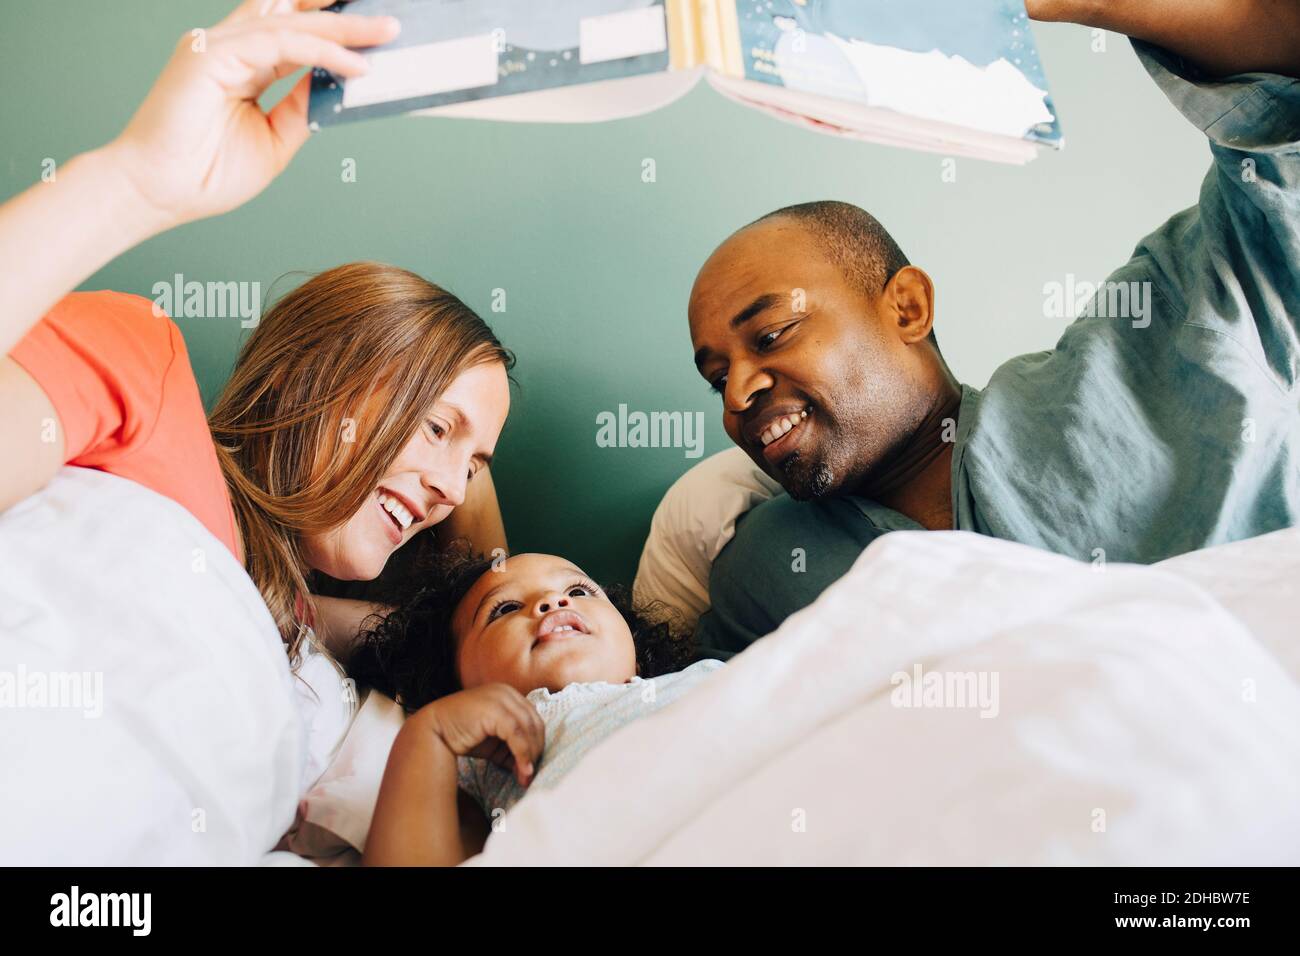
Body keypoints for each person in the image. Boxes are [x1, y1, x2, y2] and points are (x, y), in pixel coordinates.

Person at [686, 0, 1300, 656]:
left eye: (773, 334)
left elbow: (1281, 87)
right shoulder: (767, 572)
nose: (736, 394)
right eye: (716, 376)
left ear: (908, 308)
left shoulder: (1159, 336)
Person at [0, 1, 511, 661]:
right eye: (437, 426)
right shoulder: (141, 369)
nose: (454, 492)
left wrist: (457, 468)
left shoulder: (286, 615)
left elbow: (480, 649)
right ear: (310, 377)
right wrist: (138, 184)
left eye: (473, 470)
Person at [349, 550, 712, 865]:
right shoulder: (483, 762)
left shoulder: (704, 679)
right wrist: (431, 733)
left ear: (635, 649)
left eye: (578, 591)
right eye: (505, 608)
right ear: (456, 684)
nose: (553, 601)